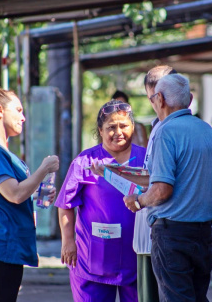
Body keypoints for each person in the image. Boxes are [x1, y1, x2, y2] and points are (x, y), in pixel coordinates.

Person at [123, 73, 212, 301]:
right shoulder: (207, 130)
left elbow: (161, 190)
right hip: (203, 234)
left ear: (159, 99)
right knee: (197, 296)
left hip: (172, 233)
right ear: (188, 99)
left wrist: (138, 201)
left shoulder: (165, 132)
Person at [0, 88, 60, 302]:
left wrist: (35, 193)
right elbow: (15, 194)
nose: (23, 117)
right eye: (18, 110)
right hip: (0, 245)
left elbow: (11, 195)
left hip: (5, 245)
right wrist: (43, 169)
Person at [55, 99, 146, 302]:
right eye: (111, 127)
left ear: (133, 127)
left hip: (137, 256)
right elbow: (65, 204)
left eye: (124, 126)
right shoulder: (86, 161)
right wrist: (68, 241)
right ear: (100, 130)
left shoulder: (147, 158)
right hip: (92, 258)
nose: (118, 132)